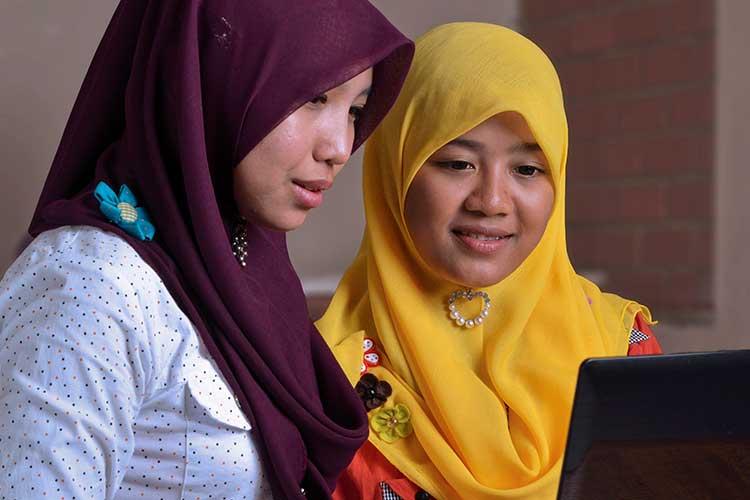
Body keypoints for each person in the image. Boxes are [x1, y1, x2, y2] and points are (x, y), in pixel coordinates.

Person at [0, 1, 413, 498]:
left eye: (355, 110)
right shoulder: (90, 286)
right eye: (314, 97)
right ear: (213, 81)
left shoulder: (241, 256)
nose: (339, 147)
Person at [317, 23, 660, 500]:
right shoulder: (326, 383)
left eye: (527, 169)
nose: (492, 200)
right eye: (459, 163)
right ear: (395, 170)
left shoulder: (624, 350)